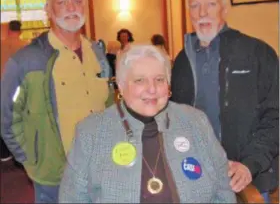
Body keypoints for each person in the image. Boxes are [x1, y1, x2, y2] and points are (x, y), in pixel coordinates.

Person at [59, 44, 236, 203]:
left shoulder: (195, 121)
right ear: (121, 85)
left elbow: (223, 188)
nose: (152, 89)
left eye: (159, 79)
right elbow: (72, 198)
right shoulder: (91, 132)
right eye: (139, 80)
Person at [1, 0, 111, 203]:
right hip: (55, 179)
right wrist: (33, 158)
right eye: (62, 2)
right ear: (48, 10)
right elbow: (7, 117)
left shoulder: (97, 53)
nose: (71, 9)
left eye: (77, 1)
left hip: (99, 169)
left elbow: (109, 103)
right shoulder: (27, 61)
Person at [170, 0, 279, 202]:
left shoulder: (258, 54)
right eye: (194, 6)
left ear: (224, 9)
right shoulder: (181, 62)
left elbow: (275, 115)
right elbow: (177, 121)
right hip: (198, 179)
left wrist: (250, 165)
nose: (202, 13)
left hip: (248, 178)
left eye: (210, 4)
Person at [1, 20, 26, 163]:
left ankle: (4, 152)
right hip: (18, 87)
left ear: (8, 30)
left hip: (1, 85)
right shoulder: (25, 46)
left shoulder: (1, 44)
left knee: (3, 117)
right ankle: (19, 151)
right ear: (20, 31)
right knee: (19, 118)